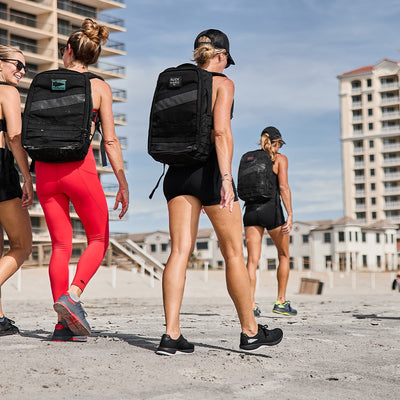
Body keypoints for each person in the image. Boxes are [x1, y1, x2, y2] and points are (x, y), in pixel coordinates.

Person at [156, 29, 283, 355]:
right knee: (233, 254)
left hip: (176, 175)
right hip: (210, 175)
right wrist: (227, 178)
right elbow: (221, 131)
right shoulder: (222, 84)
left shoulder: (179, 82)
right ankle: (250, 331)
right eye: (227, 59)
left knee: (179, 252)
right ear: (221, 55)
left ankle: (171, 334)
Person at [34, 18, 129, 342]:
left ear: (69, 51)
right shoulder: (100, 87)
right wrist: (122, 181)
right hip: (79, 168)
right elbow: (110, 141)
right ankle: (73, 296)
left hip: (45, 171)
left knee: (61, 245)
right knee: (98, 238)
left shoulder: (43, 82)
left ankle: (62, 327)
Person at [243, 126, 296, 317]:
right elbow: (283, 187)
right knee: (283, 255)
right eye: (279, 143)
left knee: (252, 261)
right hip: (271, 211)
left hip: (250, 212)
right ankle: (281, 302)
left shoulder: (251, 158)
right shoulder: (280, 159)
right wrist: (289, 214)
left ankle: (250, 305)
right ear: (276, 142)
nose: (280, 147)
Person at [0, 45, 33, 335]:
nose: (21, 71)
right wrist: (27, 177)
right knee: (22, 245)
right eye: (17, 65)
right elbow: (14, 137)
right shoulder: (7, 92)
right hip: (0, 170)